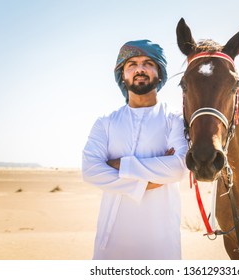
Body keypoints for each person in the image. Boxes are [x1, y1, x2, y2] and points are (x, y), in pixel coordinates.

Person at [82, 40, 188, 260]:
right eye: (132, 64)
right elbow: (91, 171)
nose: (140, 69)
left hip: (161, 242)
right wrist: (149, 181)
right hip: (111, 243)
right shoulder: (106, 123)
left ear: (160, 74)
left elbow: (178, 168)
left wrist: (120, 164)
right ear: (123, 75)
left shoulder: (174, 119)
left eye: (148, 63)